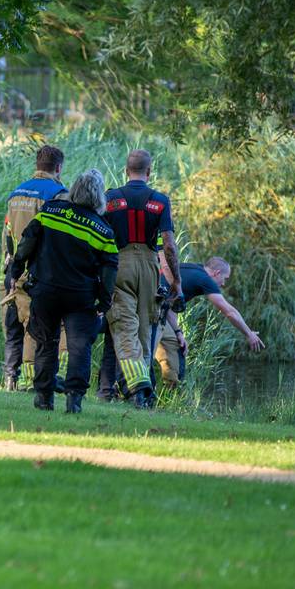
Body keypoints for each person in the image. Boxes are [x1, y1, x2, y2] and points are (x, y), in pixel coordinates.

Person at [10, 169, 118, 413]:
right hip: (81, 297)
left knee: (46, 343)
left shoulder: (50, 211)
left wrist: (15, 269)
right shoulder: (103, 230)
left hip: (45, 291)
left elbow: (27, 241)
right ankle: (74, 400)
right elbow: (110, 269)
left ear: (74, 190)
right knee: (80, 347)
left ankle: (43, 397)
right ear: (99, 196)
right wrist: (104, 301)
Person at [103, 149, 180, 408]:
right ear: (149, 172)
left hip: (119, 263)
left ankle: (132, 384)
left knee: (124, 326)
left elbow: (101, 235)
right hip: (149, 265)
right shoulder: (160, 200)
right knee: (147, 328)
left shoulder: (111, 198)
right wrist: (176, 281)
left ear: (126, 171)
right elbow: (168, 245)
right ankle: (143, 395)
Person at [0, 145, 65, 391]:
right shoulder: (58, 193)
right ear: (58, 168)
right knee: (36, 326)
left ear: (37, 164)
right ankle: (31, 380)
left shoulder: (16, 193)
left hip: (14, 267)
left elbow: (7, 231)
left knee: (14, 324)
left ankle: (10, 379)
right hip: (40, 269)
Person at [155, 256, 265, 386]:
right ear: (217, 273)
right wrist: (249, 334)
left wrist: (178, 332)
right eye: (225, 278)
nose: (223, 284)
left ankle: (168, 396)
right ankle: (151, 393)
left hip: (156, 308)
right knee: (154, 351)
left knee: (175, 345)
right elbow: (229, 312)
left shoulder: (192, 269)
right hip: (151, 310)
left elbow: (168, 305)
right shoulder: (205, 279)